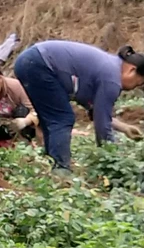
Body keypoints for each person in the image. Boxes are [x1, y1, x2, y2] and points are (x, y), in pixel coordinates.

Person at [14, 40, 144, 171]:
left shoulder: (109, 68)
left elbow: (97, 113)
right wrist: (112, 159)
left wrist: (125, 128)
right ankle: (61, 170)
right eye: (138, 83)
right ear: (132, 70)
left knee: (51, 119)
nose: (133, 88)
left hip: (29, 61)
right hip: (39, 63)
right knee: (62, 118)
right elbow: (102, 125)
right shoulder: (112, 79)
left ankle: (53, 164)